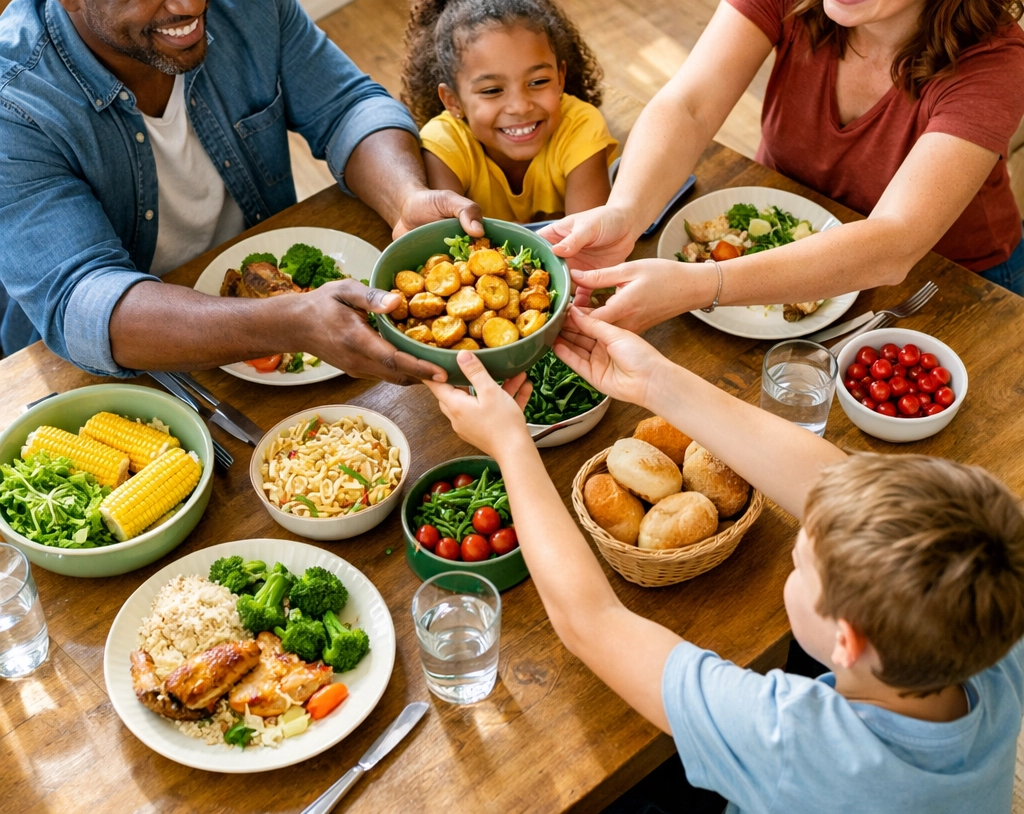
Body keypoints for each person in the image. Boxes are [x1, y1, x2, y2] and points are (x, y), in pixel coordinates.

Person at [427, 319, 1024, 814]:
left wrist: (510, 444)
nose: (800, 536)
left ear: (845, 638)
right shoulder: (992, 632)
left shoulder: (793, 742)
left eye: (803, 559)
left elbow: (591, 621)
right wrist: (655, 381)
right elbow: (828, 481)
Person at [0, 0, 483, 383]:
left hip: (269, 317)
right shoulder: (13, 104)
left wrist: (406, 197)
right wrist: (285, 322)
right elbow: (82, 303)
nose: (190, 0)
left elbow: (347, 106)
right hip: (112, 375)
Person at [541, 0, 1024, 331]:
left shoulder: (994, 60)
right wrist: (625, 214)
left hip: (949, 281)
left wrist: (704, 286)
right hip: (786, 230)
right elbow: (690, 104)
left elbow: (897, 242)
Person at [401, 0, 617, 223]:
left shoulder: (581, 128)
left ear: (560, 77)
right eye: (492, 90)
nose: (520, 106)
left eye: (537, 82)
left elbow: (587, 246)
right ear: (453, 100)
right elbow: (449, 250)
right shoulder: (443, 145)